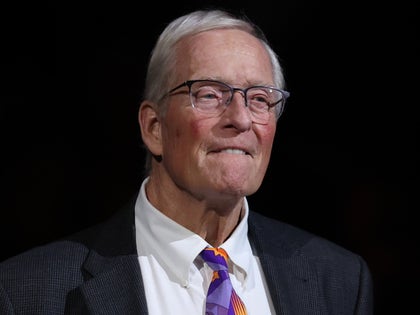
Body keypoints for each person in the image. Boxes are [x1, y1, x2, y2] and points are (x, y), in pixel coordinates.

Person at [0, 8, 373, 314]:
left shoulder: (339, 281)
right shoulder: (29, 291)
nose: (241, 118)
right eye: (210, 94)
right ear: (153, 127)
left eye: (260, 98)